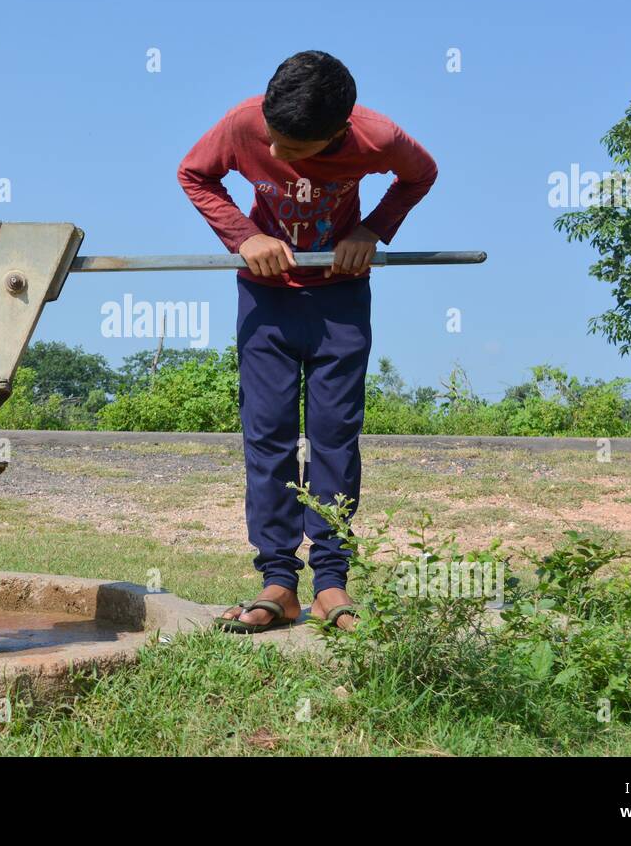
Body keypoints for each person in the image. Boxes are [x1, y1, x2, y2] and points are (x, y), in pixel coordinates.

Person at [176, 50, 438, 633]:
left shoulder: (377, 138)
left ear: (337, 134)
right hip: (265, 297)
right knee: (266, 434)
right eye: (271, 140)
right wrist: (244, 236)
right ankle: (278, 582)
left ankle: (330, 585)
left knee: (334, 438)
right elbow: (194, 173)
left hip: (340, 297)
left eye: (292, 150)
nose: (273, 155)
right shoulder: (245, 123)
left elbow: (421, 173)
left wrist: (372, 230)